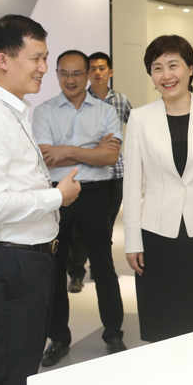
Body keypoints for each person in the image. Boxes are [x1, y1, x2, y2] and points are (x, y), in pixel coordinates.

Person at [0, 15, 81, 385]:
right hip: (9, 266)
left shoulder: (11, 110)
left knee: (19, 370)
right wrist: (55, 196)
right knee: (11, 375)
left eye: (45, 58)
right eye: (36, 58)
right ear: (3, 60)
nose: (43, 68)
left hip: (26, 262)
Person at [122, 35, 193, 342]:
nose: (166, 75)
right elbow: (131, 187)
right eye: (157, 68)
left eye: (173, 65)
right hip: (156, 232)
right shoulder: (140, 118)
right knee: (160, 317)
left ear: (190, 69)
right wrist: (132, 241)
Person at [32, 50, 126, 365]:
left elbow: (110, 157)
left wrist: (66, 151)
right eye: (64, 73)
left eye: (77, 73)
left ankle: (113, 334)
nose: (70, 80)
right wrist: (90, 151)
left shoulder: (105, 112)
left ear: (88, 75)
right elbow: (46, 158)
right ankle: (58, 339)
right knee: (54, 269)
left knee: (103, 265)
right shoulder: (43, 112)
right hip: (56, 195)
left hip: (95, 194)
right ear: (57, 74)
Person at [66, 51, 133, 293]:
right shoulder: (79, 100)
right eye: (92, 69)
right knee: (79, 229)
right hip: (88, 174)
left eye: (101, 68)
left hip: (115, 173)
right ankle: (76, 272)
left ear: (110, 72)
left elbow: (136, 127)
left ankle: (99, 267)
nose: (97, 73)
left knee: (105, 226)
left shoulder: (121, 100)